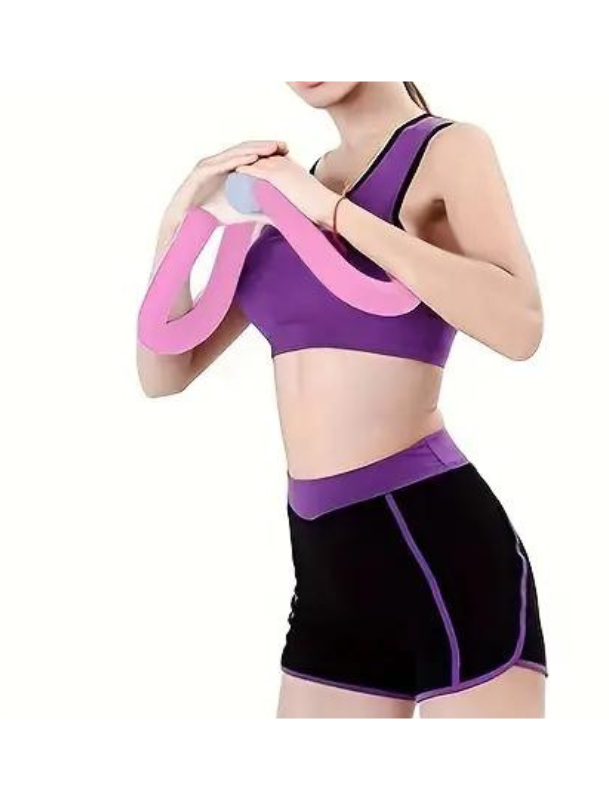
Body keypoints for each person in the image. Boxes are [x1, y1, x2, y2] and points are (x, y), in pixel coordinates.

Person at [136, 82, 547, 718]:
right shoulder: (290, 187)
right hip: (325, 563)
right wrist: (180, 220)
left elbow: (520, 328)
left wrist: (328, 211)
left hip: (435, 544)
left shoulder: (446, 149)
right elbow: (165, 373)